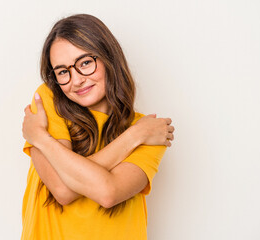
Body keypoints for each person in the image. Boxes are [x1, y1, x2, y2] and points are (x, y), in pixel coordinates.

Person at [21, 14, 175, 240]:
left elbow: (108, 193)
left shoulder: (150, 130)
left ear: (108, 58)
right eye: (63, 71)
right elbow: (62, 190)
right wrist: (134, 137)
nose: (76, 80)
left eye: (85, 63)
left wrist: (40, 138)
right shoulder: (48, 101)